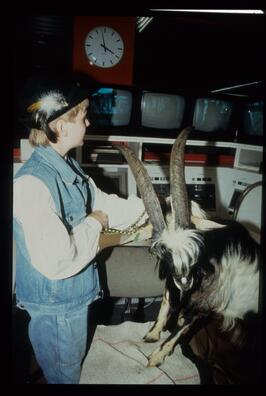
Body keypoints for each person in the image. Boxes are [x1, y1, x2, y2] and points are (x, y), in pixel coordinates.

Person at [13, 74, 149, 384]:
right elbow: (59, 261)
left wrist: (154, 210)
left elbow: (105, 203)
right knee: (66, 376)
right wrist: (95, 222)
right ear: (60, 126)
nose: (87, 123)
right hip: (57, 308)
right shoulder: (32, 184)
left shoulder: (68, 166)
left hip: (72, 301)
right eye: (83, 117)